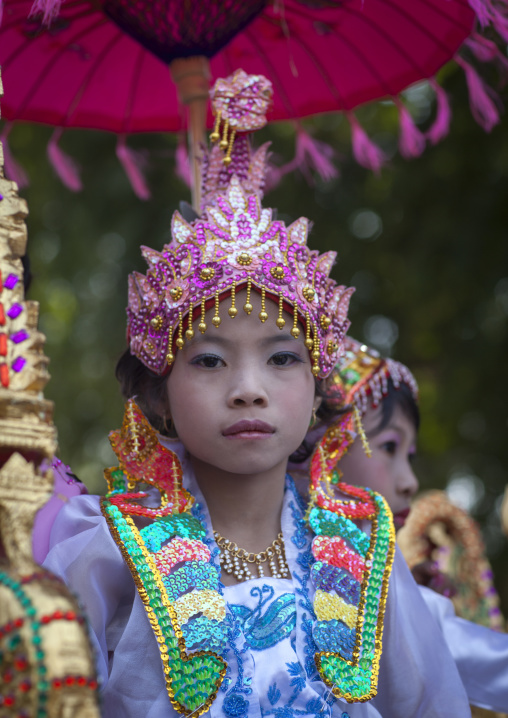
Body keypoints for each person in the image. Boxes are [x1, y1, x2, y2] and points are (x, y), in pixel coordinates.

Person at [43, 71, 471, 718]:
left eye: (281, 359)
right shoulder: (110, 549)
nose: (248, 390)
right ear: (158, 394)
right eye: (210, 360)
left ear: (319, 384)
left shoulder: (363, 547)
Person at [305, 336, 508, 714]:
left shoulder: (381, 578)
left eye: (409, 454)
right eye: (388, 446)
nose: (409, 481)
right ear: (324, 442)